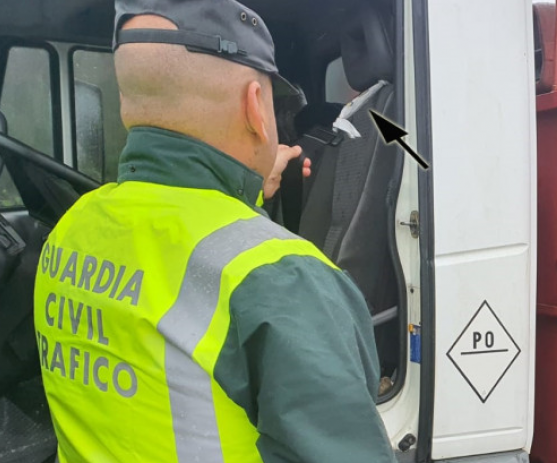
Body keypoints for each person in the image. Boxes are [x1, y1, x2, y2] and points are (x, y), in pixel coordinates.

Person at [32, 0, 398, 462]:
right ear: (254, 107)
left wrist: (243, 195)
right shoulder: (286, 281)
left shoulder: (72, 227)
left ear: (130, 104)